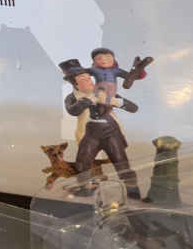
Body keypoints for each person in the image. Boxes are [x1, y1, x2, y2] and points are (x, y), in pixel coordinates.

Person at [59, 59, 141, 197]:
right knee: (82, 162)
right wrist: (88, 100)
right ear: (75, 84)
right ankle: (86, 188)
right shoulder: (72, 98)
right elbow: (73, 111)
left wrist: (117, 101)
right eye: (84, 80)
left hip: (111, 132)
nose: (90, 81)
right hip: (90, 133)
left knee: (120, 161)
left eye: (89, 78)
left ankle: (132, 189)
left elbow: (133, 108)